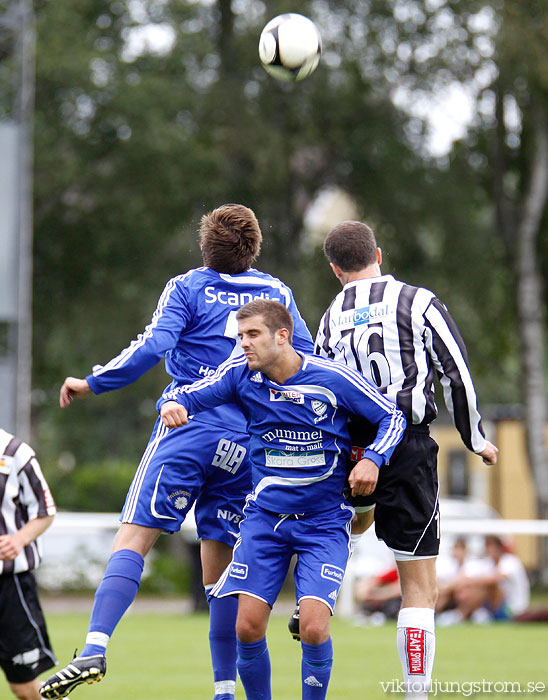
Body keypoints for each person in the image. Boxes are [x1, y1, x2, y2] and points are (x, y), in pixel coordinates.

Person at [40, 205, 314, 700]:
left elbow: (153, 346)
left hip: (186, 423)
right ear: (254, 246)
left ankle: (95, 647)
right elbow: (307, 357)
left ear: (205, 245)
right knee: (221, 576)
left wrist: (93, 382)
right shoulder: (277, 294)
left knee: (133, 541)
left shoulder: (186, 286)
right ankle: (224, 691)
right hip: (244, 444)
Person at [159, 298, 406, 700]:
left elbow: (391, 417)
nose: (244, 344)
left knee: (312, 626)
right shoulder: (240, 374)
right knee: (247, 626)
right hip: (264, 521)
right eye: (240, 336)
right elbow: (188, 394)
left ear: (282, 335)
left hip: (324, 521)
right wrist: (170, 403)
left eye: (252, 334)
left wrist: (374, 460)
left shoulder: (331, 377)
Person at [313, 221, 498, 699]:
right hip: (408, 445)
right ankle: (416, 693)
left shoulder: (333, 314)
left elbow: (319, 385)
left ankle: (355, 518)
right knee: (419, 587)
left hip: (355, 447)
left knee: (355, 524)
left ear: (336, 270)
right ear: (379, 252)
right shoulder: (417, 301)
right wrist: (475, 438)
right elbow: (456, 372)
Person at [0, 428, 57, 700]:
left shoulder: (15, 453)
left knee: (25, 687)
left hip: (9, 587)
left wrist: (18, 540)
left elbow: (45, 511)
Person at [448, 535, 530, 623]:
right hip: (495, 606)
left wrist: (469, 581)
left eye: (494, 548)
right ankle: (473, 613)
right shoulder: (488, 563)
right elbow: (471, 576)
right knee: (473, 587)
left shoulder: (510, 561)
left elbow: (495, 579)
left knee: (489, 586)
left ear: (500, 548)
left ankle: (461, 614)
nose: (491, 551)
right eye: (488, 547)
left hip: (513, 608)